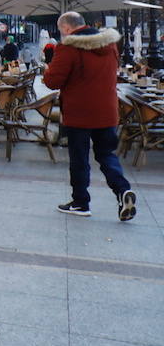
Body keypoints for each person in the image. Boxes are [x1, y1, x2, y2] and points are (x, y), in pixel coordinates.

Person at [42, 12, 136, 220]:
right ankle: (123, 190)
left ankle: (81, 202)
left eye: (61, 30)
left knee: (79, 159)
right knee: (106, 154)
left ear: (66, 28)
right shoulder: (110, 45)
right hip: (107, 112)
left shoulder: (68, 47)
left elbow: (53, 81)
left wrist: (48, 67)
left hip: (79, 114)